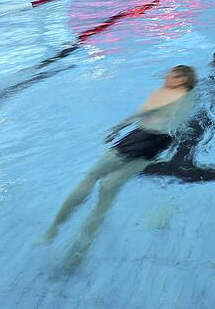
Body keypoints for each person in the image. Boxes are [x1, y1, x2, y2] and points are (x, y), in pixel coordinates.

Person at [44, 65, 197, 270]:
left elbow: (139, 115)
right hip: (157, 147)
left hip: (140, 139)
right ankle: (78, 255)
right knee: (107, 194)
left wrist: (116, 129)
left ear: (180, 80)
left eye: (169, 75)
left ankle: (54, 227)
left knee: (91, 177)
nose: (165, 77)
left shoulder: (165, 93)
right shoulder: (189, 99)